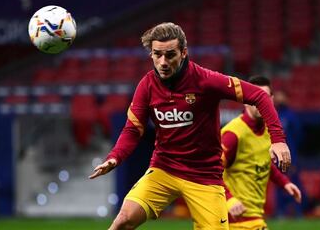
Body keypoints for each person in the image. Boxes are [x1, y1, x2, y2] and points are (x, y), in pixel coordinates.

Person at [89, 22, 291, 230]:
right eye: (157, 54)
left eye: (170, 55)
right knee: (124, 219)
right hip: (164, 169)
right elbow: (133, 129)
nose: (163, 62)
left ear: (184, 52)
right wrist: (115, 157)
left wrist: (278, 140)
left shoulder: (205, 81)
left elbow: (259, 95)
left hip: (205, 177)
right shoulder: (147, 85)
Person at [221, 76, 301, 230]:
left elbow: (263, 162)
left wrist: (285, 183)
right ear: (245, 99)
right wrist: (229, 199)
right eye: (254, 96)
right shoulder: (233, 134)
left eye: (263, 97)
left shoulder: (269, 131)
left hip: (254, 216)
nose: (259, 101)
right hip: (234, 219)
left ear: (271, 100)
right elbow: (210, 171)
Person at [273, 89, 304, 217]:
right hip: (276, 157)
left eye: (282, 96)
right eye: (277, 96)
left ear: (287, 98)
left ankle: (298, 212)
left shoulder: (291, 115)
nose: (279, 99)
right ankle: (280, 212)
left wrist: (293, 156)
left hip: (291, 156)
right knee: (278, 184)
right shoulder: (273, 114)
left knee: (294, 183)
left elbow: (298, 136)